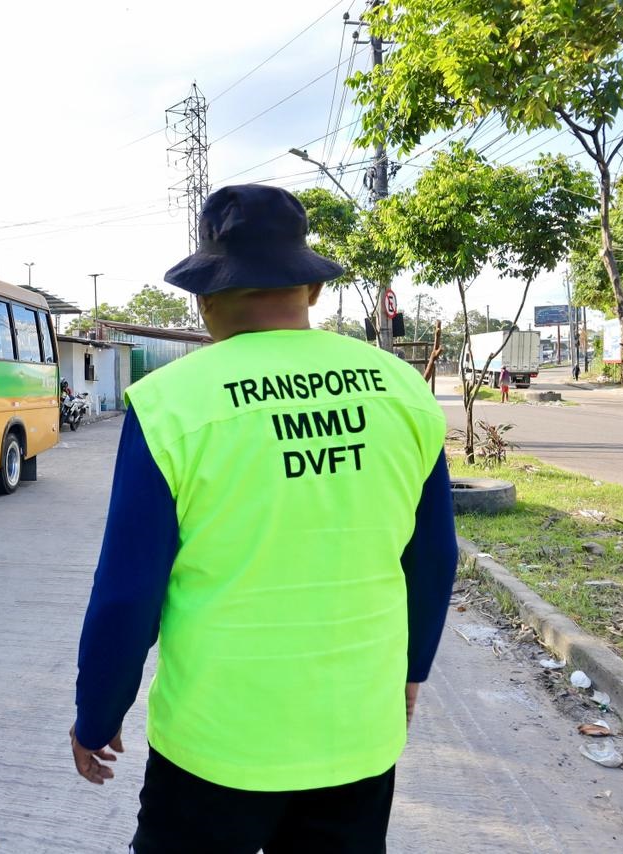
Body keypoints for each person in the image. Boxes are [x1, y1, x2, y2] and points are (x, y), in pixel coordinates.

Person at [70, 184, 458, 853]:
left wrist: (97, 713)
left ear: (205, 296)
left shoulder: (171, 404)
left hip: (214, 745)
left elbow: (128, 591)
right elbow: (434, 559)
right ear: (309, 291)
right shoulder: (401, 390)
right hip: (357, 739)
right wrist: (411, 672)